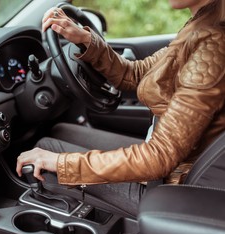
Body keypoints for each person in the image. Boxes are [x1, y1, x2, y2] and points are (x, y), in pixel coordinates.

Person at [16, 0, 225, 216]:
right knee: (59, 131)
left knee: (45, 150)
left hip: (169, 187)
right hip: (172, 163)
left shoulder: (213, 44)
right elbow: (136, 73)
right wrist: (86, 39)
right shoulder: (202, 24)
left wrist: (60, 163)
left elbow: (160, 156)